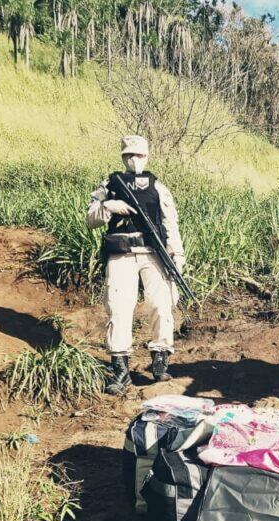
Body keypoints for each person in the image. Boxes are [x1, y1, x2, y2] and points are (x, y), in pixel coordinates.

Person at [87, 135, 185, 395]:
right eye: (129, 155)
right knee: (119, 308)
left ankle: (160, 360)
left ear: (147, 156)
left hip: (153, 251)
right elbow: (91, 219)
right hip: (120, 252)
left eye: (139, 155)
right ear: (122, 157)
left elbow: (170, 224)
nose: (134, 160)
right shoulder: (110, 184)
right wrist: (108, 205)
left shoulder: (159, 187)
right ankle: (120, 369)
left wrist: (177, 255)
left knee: (161, 304)